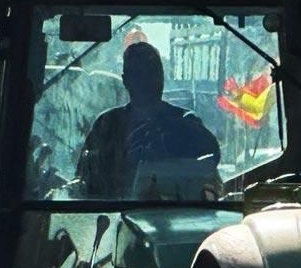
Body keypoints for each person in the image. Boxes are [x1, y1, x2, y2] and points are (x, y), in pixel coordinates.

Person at [77, 42, 220, 198]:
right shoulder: (107, 125)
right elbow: (84, 182)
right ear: (126, 80)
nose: (147, 80)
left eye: (153, 72)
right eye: (139, 74)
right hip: (113, 211)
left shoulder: (186, 123)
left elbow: (211, 162)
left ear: (162, 77)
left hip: (176, 210)